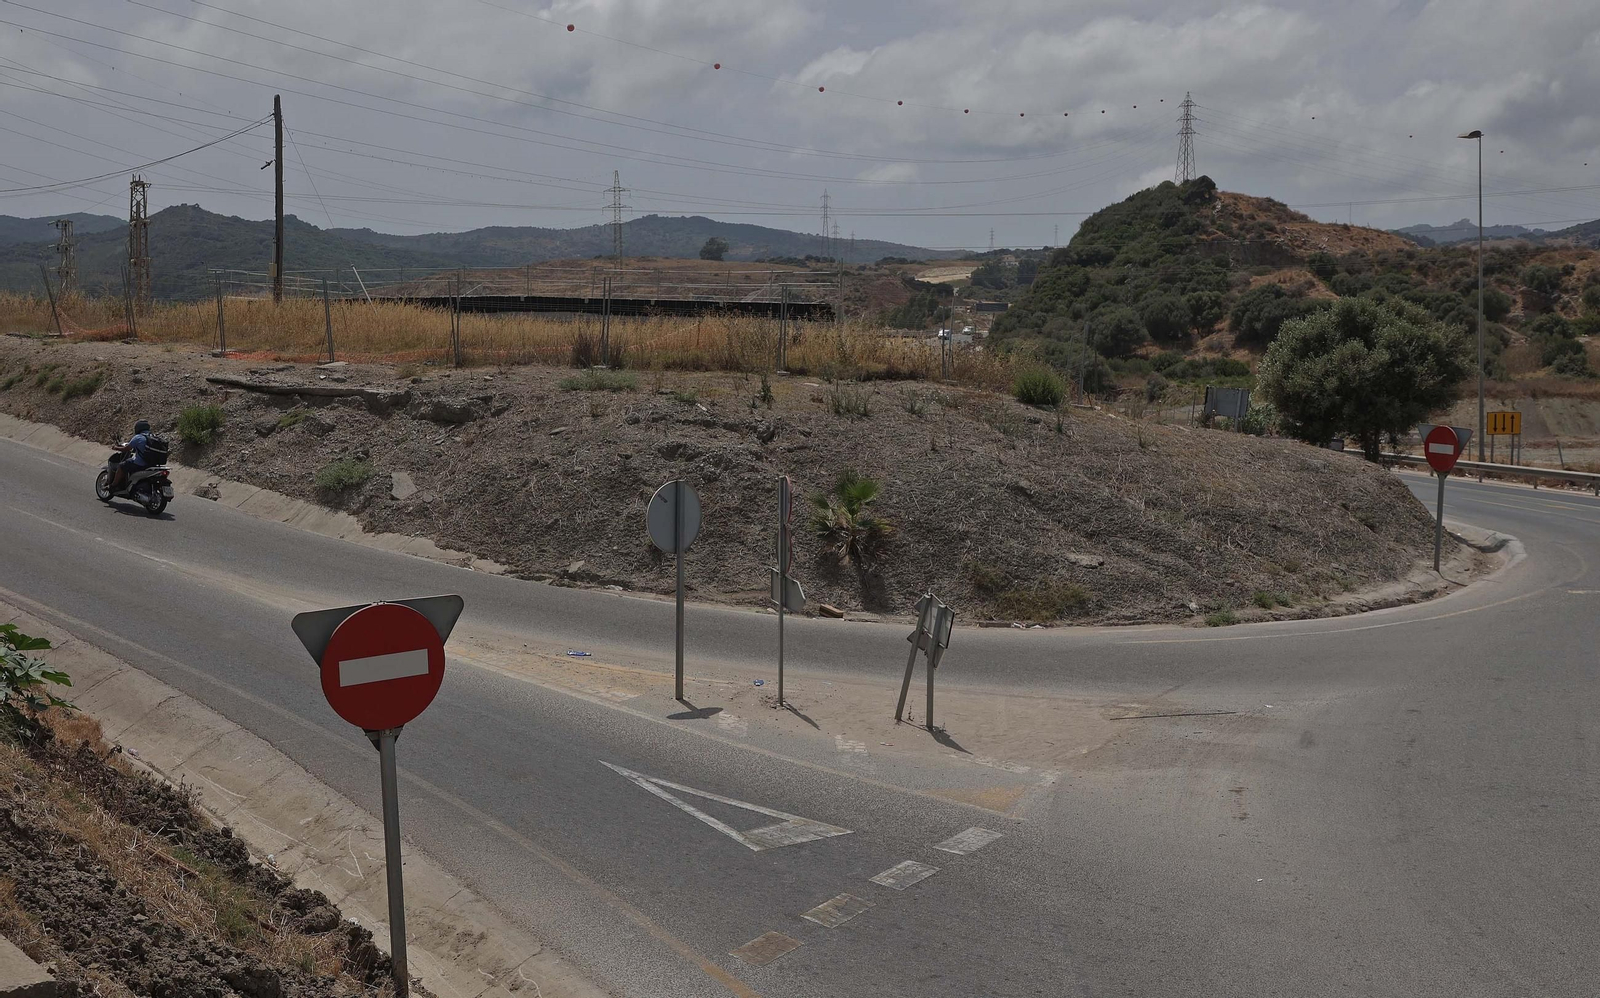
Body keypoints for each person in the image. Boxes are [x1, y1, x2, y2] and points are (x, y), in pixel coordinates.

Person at [110, 419, 154, 494]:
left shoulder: (138, 437)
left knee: (121, 466)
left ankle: (113, 486)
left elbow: (126, 449)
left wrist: (116, 448)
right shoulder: (153, 437)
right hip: (152, 464)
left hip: (140, 464)